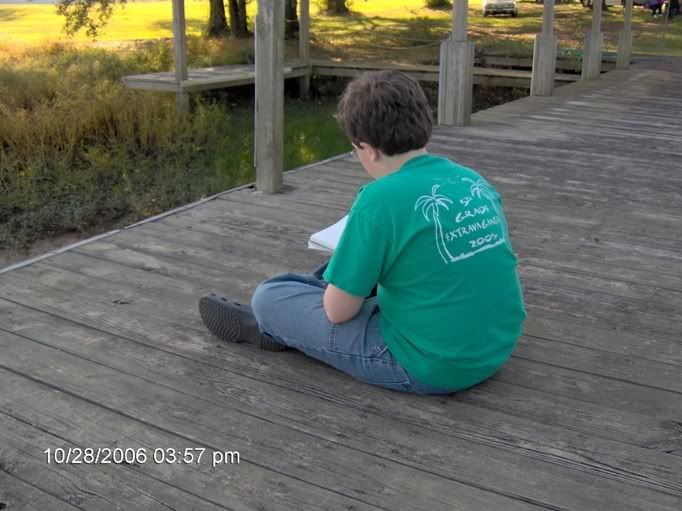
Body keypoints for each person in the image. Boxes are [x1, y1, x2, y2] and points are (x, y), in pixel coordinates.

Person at [199, 71, 527, 395]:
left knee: (269, 296)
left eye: (354, 151)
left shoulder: (378, 199)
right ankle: (312, 301)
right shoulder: (471, 179)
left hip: (429, 364)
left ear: (368, 149)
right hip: (494, 347)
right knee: (362, 264)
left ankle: (268, 326)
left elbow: (338, 313)